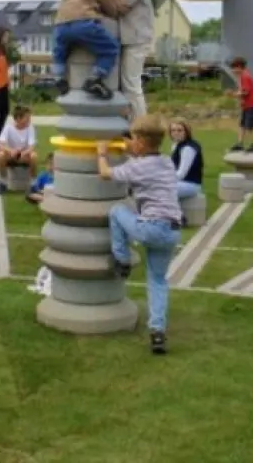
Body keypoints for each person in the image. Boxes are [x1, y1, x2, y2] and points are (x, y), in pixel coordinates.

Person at [96, 114, 182, 355]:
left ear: (141, 142)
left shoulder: (137, 167)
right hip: (172, 230)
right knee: (157, 281)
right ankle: (157, 332)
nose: (130, 142)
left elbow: (105, 174)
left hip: (150, 228)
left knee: (117, 211)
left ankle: (121, 259)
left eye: (133, 139)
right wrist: (128, 145)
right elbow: (141, 156)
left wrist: (102, 152)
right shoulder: (165, 162)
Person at [51, 0, 122, 100]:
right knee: (110, 48)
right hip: (83, 23)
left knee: (60, 52)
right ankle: (95, 79)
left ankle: (58, 77)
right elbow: (113, 10)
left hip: (60, 25)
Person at [114, 0, 155, 120]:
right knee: (125, 83)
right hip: (130, 38)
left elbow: (121, 6)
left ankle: (140, 125)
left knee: (131, 84)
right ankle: (130, 121)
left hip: (137, 39)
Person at [0, 105, 37, 194]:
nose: (29, 119)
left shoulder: (30, 127)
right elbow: (1, 145)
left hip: (24, 155)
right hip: (11, 155)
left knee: (34, 156)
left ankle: (33, 184)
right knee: (0, 155)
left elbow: (32, 146)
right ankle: (3, 183)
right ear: (18, 118)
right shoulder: (8, 127)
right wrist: (11, 151)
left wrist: (24, 152)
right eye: (27, 117)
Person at [227, 56, 253, 152]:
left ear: (239, 67)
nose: (233, 70)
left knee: (250, 126)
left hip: (252, 105)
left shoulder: (245, 76)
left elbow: (245, 92)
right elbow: (243, 91)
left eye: (234, 68)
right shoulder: (242, 76)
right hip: (247, 105)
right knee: (242, 125)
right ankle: (240, 144)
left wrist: (233, 94)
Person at [169, 118, 203, 200]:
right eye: (173, 130)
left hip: (190, 184)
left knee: (160, 190)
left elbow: (181, 174)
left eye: (179, 130)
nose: (176, 133)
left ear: (186, 132)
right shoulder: (176, 145)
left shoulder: (188, 148)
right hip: (180, 183)